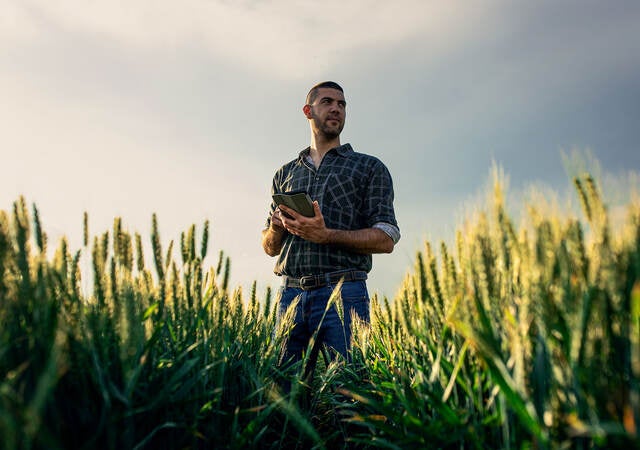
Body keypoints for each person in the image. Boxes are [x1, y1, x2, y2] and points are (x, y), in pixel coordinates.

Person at [261, 81, 400, 380]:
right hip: (291, 295)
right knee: (282, 397)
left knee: (350, 396)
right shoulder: (285, 174)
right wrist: (276, 227)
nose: (337, 108)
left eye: (342, 104)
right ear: (308, 111)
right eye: (327, 102)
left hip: (345, 292)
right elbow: (270, 247)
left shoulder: (368, 168)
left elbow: (386, 237)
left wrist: (327, 235)